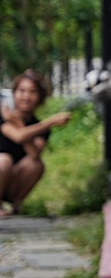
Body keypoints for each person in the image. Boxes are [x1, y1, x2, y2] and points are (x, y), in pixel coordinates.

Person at [0, 70, 71, 217]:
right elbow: (18, 137)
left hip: (13, 179)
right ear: (14, 93)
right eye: (22, 91)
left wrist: (19, 123)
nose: (26, 96)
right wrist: (51, 121)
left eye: (32, 92)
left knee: (36, 165)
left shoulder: (39, 127)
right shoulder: (4, 116)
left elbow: (34, 153)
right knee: (4, 161)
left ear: (40, 97)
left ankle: (14, 205)